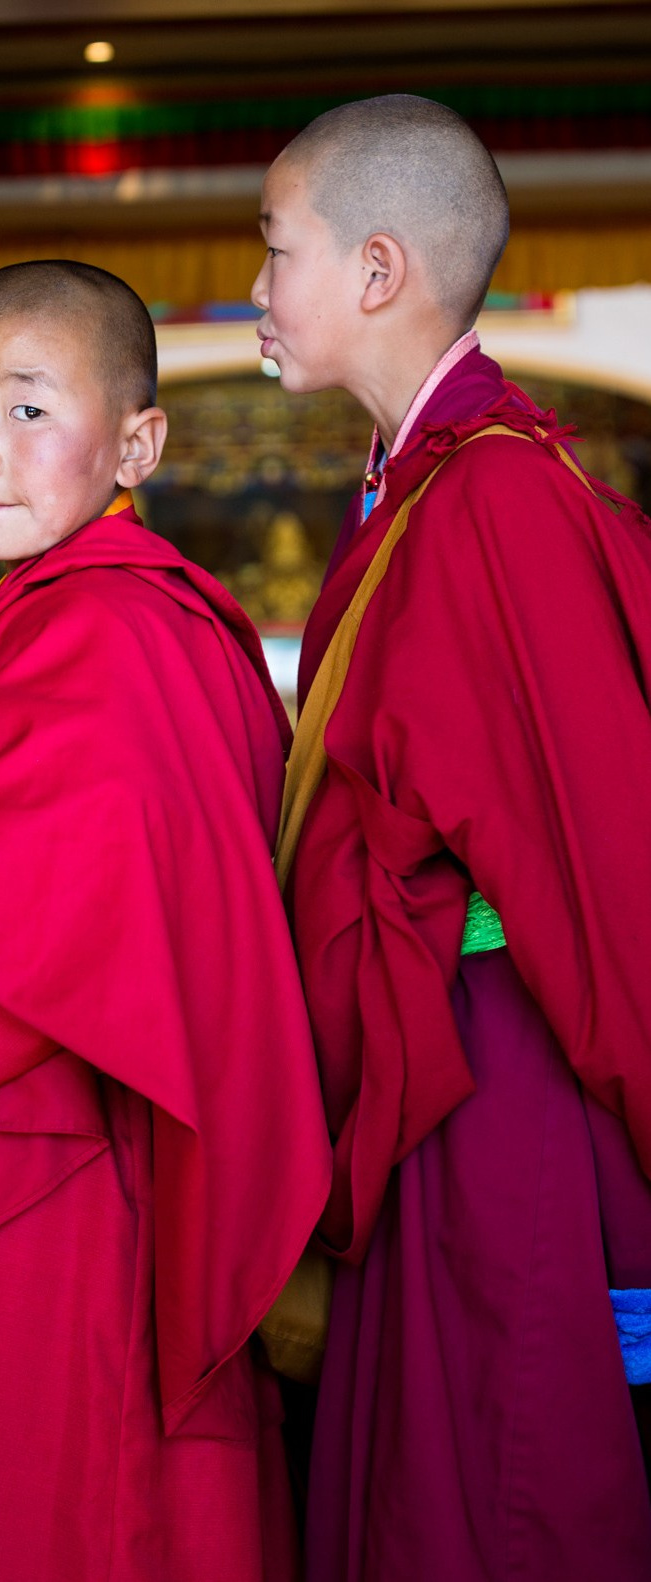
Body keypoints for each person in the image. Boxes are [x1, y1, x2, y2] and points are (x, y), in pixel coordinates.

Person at [0, 260, 331, 1581]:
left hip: (71, 1148)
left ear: (137, 444)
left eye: (27, 408)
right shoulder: (104, 605)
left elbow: (8, 925)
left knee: (76, 1496)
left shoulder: (98, 625)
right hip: (104, 1128)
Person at [253, 93, 651, 1580]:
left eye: (273, 248)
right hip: (432, 1070)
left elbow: (603, 856)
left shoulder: (495, 497)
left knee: (493, 1499)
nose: (254, 285)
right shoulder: (419, 482)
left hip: (496, 1087)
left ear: (376, 269)